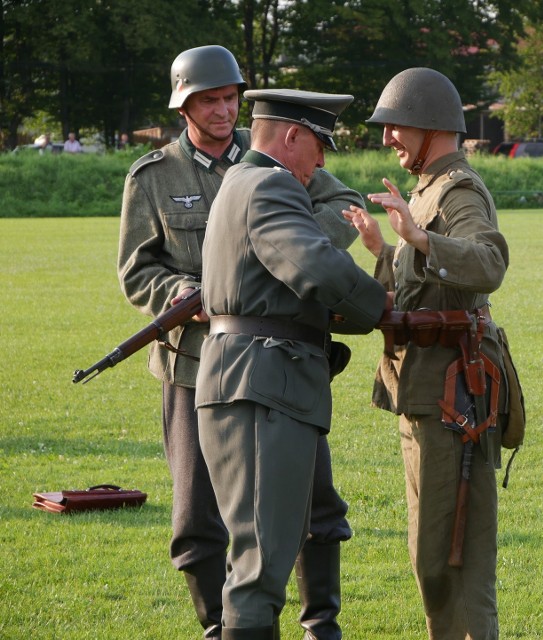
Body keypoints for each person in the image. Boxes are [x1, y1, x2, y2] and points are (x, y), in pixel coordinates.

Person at [118, 45, 364, 640]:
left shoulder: (271, 161)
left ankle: (318, 625)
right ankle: (219, 627)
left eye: (231, 97)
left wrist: (276, 256)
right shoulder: (154, 177)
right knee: (196, 516)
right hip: (193, 363)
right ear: (185, 106)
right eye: (211, 100)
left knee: (314, 503)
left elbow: (345, 204)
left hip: (280, 363)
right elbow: (135, 272)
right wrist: (187, 291)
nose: (225, 109)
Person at [195, 87, 388, 640]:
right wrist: (383, 305)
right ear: (292, 136)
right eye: (320, 144)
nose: (324, 160)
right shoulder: (271, 184)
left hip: (253, 378)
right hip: (264, 387)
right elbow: (318, 268)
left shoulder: (237, 181)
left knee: (260, 557)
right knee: (259, 570)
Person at [344, 67, 510, 640]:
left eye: (395, 126)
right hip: (426, 393)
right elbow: (425, 288)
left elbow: (487, 264)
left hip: (454, 400)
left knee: (454, 555)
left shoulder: (458, 188)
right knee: (430, 550)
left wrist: (420, 239)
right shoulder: (426, 189)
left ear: (430, 126)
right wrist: (385, 251)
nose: (387, 137)